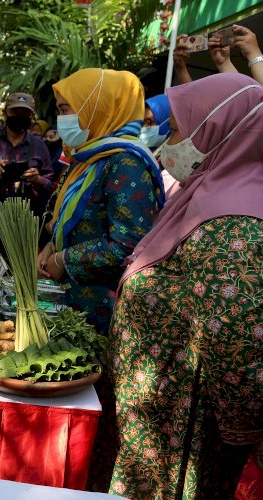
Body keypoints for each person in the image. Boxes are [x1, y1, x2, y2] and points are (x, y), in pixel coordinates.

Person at [108, 72, 263, 499]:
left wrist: (241, 428)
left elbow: (237, 338)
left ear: (215, 132)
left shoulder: (231, 224)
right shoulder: (204, 193)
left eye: (176, 130)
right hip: (158, 423)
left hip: (183, 439)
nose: (166, 140)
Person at [37, 69, 165, 335]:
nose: (61, 119)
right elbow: (65, 219)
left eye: (65, 109)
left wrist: (63, 259)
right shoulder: (86, 158)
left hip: (101, 312)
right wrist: (51, 247)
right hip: (71, 304)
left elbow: (126, 244)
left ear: (97, 108)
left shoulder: (126, 163)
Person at [0, 93, 53, 216]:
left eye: (25, 113)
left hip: (27, 216)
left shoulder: (39, 145)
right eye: (15, 111)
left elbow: (49, 183)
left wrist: (37, 179)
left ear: (31, 116)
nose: (20, 116)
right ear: (4, 113)